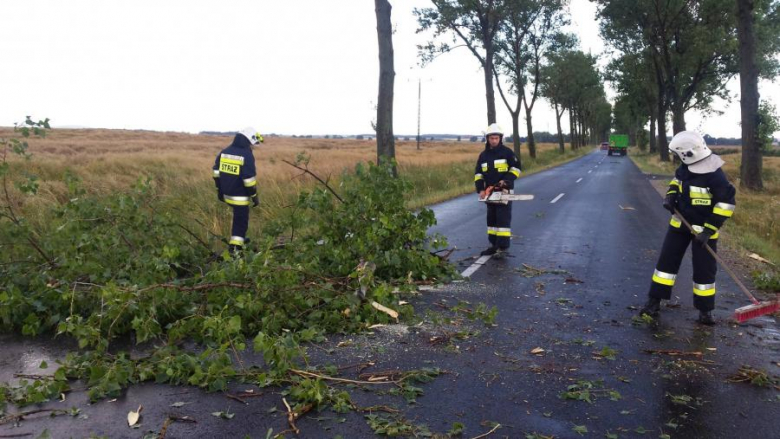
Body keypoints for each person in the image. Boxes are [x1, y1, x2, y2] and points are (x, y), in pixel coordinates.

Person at [639, 131, 736, 325]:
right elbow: (677, 181)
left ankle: (705, 311)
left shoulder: (715, 175)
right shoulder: (686, 167)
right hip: (680, 223)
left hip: (704, 232)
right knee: (665, 265)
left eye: (678, 153)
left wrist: (708, 230)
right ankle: (653, 302)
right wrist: (671, 196)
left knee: (705, 272)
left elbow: (726, 204)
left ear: (688, 152)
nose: (677, 157)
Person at [212, 127, 264, 253]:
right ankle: (236, 249)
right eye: (252, 144)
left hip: (226, 194)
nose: (253, 147)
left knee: (237, 218)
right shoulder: (247, 155)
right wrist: (254, 196)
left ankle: (239, 241)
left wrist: (219, 190)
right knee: (241, 222)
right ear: (247, 141)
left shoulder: (224, 152)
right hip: (240, 198)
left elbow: (215, 173)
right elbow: (249, 180)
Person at [473, 124, 522, 258]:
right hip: (489, 193)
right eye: (491, 138)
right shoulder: (483, 155)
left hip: (504, 192)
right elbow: (478, 174)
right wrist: (481, 189)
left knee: (503, 220)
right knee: (492, 220)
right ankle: (493, 245)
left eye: (496, 138)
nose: (494, 140)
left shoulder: (507, 152)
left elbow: (516, 168)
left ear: (500, 138)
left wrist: (506, 180)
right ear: (487, 139)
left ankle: (503, 247)